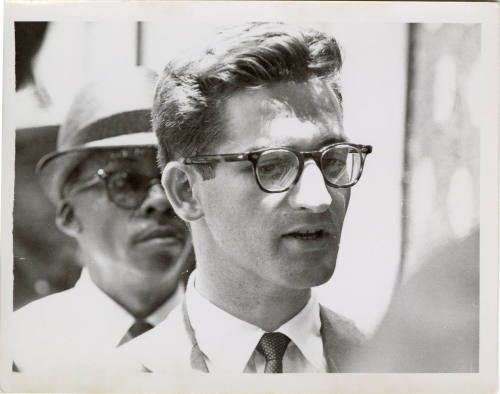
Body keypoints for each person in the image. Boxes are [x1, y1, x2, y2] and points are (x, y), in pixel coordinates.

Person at [121, 22, 372, 373]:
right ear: (185, 191)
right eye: (272, 166)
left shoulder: (400, 367)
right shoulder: (117, 380)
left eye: (332, 159)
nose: (320, 199)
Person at [11, 67, 193, 372]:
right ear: (69, 215)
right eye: (124, 181)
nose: (161, 200)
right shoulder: (20, 349)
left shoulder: (240, 346)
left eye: (174, 181)